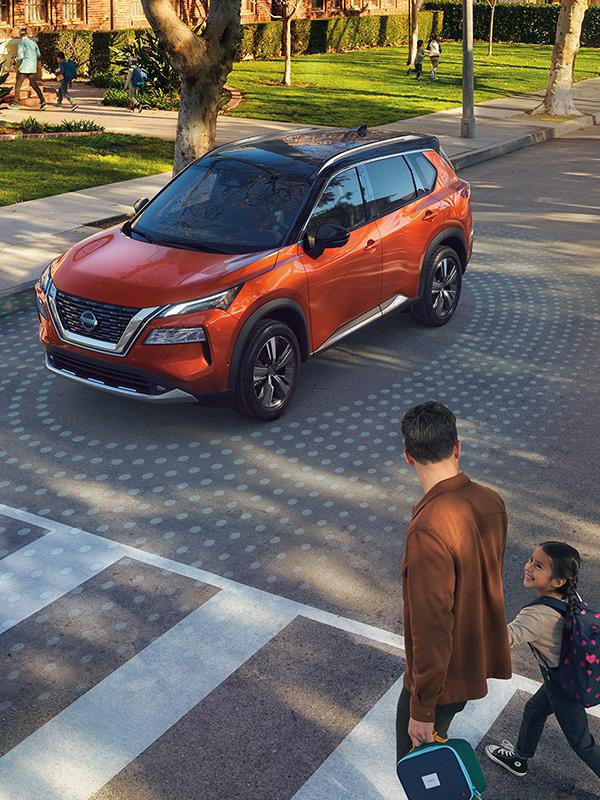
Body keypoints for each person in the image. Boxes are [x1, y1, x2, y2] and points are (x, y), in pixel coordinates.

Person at [396, 401, 511, 762]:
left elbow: (432, 624)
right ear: (457, 447)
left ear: (408, 457)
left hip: (439, 680)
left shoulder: (428, 527)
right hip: (470, 664)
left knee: (419, 771)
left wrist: (422, 708)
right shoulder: (490, 501)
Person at [485, 542, 600, 779]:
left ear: (558, 581)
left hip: (566, 687)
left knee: (582, 743)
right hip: (567, 675)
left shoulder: (536, 615)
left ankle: (519, 758)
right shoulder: (570, 595)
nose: (528, 567)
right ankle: (519, 758)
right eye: (530, 559)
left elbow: (499, 640)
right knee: (535, 709)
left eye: (538, 566)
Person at [10, 28, 46, 110]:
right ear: (26, 34)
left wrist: (14, 59)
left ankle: (15, 103)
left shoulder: (21, 43)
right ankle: (43, 101)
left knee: (18, 85)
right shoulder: (33, 43)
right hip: (32, 67)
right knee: (34, 85)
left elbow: (21, 56)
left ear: (20, 35)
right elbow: (38, 54)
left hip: (24, 67)